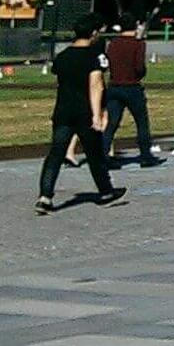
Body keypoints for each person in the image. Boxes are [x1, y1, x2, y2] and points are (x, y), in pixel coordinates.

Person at [36, 15, 126, 214]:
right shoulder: (95, 56)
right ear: (93, 33)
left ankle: (45, 196)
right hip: (84, 112)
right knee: (95, 155)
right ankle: (106, 192)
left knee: (55, 155)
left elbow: (61, 81)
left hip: (63, 111)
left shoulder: (63, 56)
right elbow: (96, 85)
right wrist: (97, 114)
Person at [102, 15, 164, 167]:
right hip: (132, 86)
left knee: (111, 123)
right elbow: (139, 67)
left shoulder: (113, 44)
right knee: (141, 122)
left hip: (114, 86)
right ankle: (145, 155)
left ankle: (103, 156)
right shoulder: (138, 44)